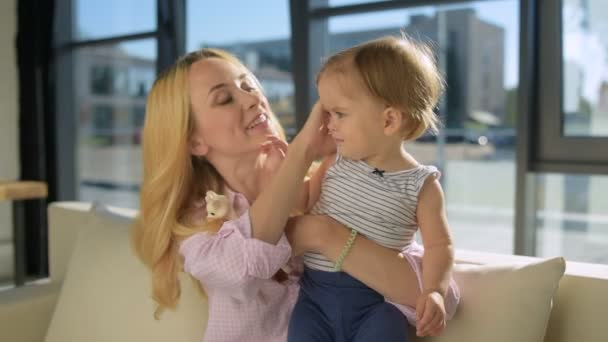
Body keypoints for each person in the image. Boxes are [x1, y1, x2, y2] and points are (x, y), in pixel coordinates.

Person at [131, 48, 447, 342]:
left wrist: (324, 233)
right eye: (225, 98)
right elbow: (244, 272)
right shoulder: (196, 224)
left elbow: (421, 288)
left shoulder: (332, 186)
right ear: (195, 141)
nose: (252, 98)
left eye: (248, 84)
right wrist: (302, 153)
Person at [288, 36, 460, 342]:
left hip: (376, 304)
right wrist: (290, 160)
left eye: (339, 114)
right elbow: (301, 200)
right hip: (314, 299)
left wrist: (434, 290)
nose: (329, 124)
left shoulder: (421, 184)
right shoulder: (334, 163)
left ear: (389, 120)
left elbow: (439, 246)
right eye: (326, 114)